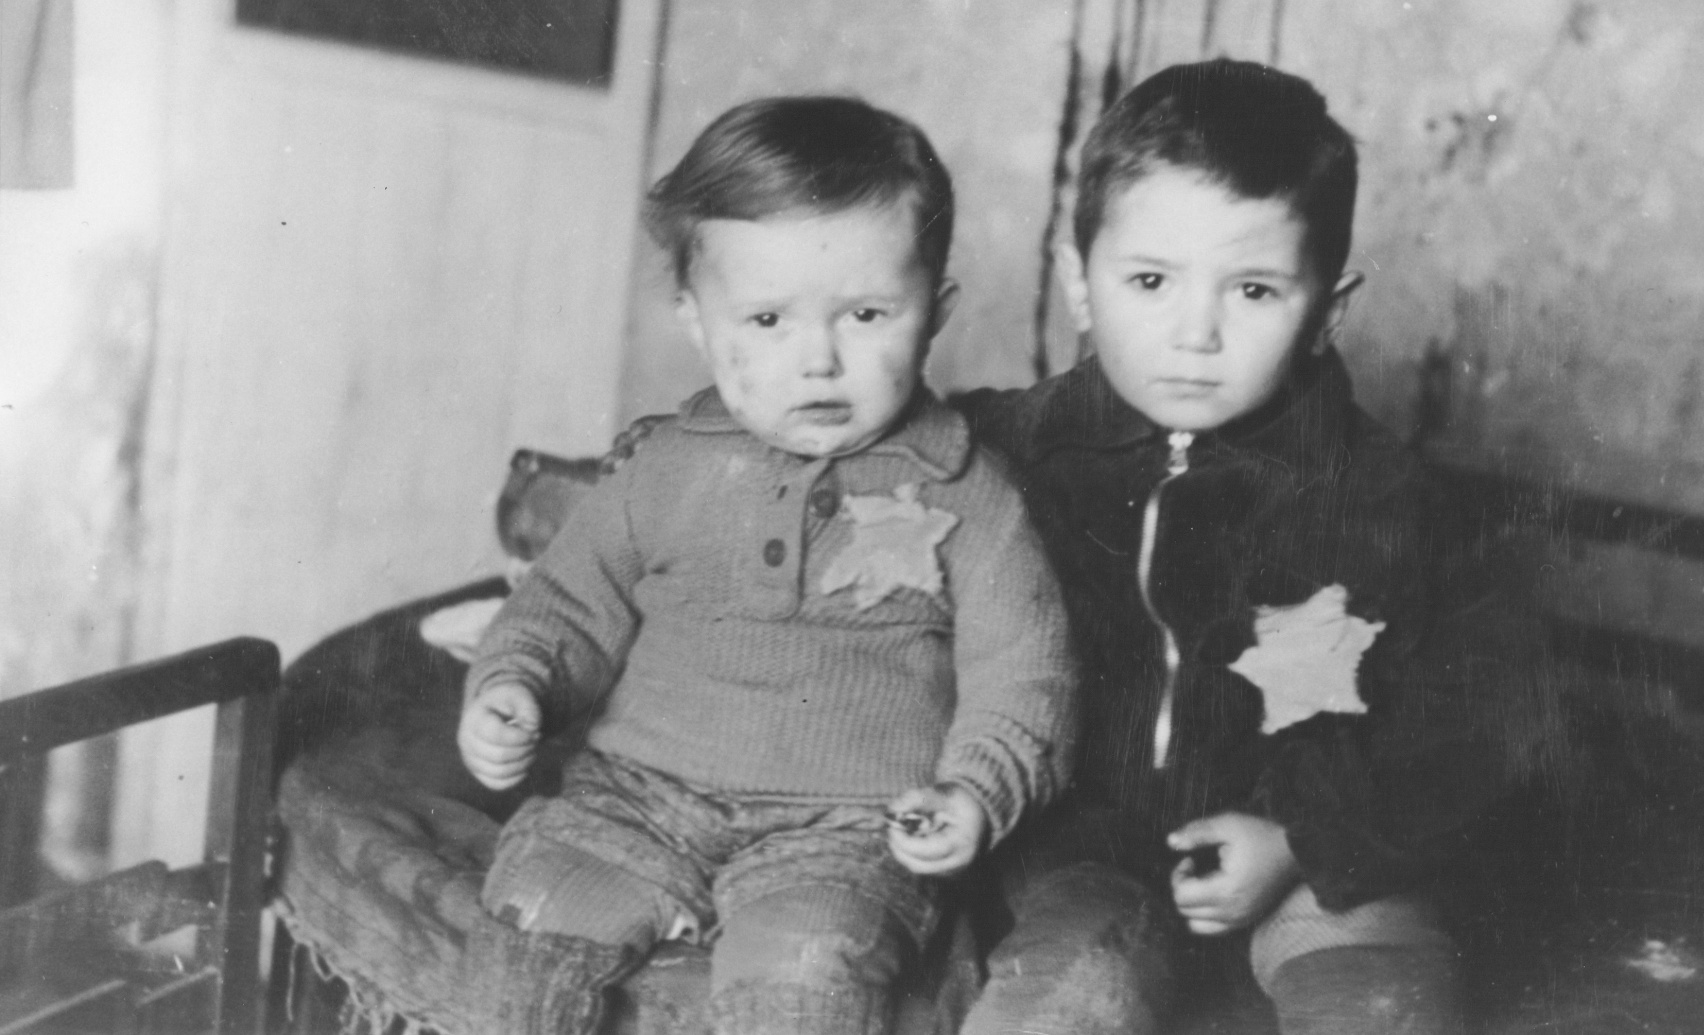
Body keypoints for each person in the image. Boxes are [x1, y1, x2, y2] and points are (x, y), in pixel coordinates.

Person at [459, 96, 1076, 1035]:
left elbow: (1025, 675)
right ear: (698, 322)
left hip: (850, 829)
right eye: (767, 319)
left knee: (806, 976)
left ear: (935, 314)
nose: (819, 359)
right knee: (533, 916)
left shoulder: (969, 491)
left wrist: (972, 789)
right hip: (636, 796)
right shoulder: (665, 467)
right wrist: (515, 684)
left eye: (867, 313)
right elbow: (567, 603)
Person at [956, 59, 1505, 1035]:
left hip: (1325, 857)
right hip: (1093, 860)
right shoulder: (1002, 453)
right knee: (1058, 1000)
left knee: (1386, 1000)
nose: (1195, 332)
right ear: (1081, 284)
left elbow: (1477, 723)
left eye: (1252, 289)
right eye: (1152, 280)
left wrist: (1303, 839)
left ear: (1327, 314)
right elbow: (857, 458)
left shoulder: (1385, 495)